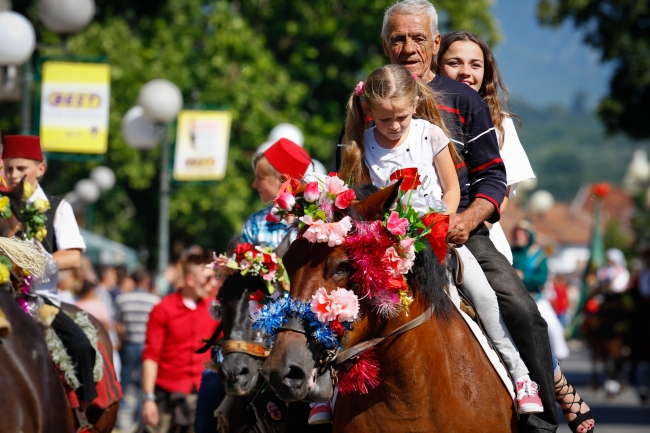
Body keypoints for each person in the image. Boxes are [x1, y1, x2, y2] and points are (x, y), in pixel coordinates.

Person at [332, 2, 559, 431]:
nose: (408, 47)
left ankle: (542, 415)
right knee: (319, 304)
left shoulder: (464, 99)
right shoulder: (363, 102)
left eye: (418, 37)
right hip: (379, 239)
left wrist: (465, 220)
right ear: (385, 43)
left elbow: (492, 177)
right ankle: (313, 399)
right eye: (398, 38)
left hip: (457, 229)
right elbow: (346, 178)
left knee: (519, 307)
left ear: (435, 43)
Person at [437, 30, 595, 433]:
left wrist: (466, 218)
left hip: (478, 230)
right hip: (426, 228)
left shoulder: (500, 122)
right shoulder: (418, 112)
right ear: (438, 65)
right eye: (455, 62)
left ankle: (545, 404)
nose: (465, 72)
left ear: (487, 72)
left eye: (475, 65)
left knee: (518, 313)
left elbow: (500, 193)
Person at [2, 134, 98, 407]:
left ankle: (84, 413)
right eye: (8, 168)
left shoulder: (58, 208)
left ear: (40, 169)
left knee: (79, 344)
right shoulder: (0, 205)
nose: (13, 174)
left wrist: (28, 262)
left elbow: (73, 258)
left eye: (21, 168)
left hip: (37, 301)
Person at [140, 253, 219, 433]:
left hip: (200, 395)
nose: (213, 283)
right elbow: (150, 356)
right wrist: (148, 399)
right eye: (207, 279)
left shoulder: (214, 309)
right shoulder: (163, 309)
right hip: (166, 397)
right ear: (190, 280)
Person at [243, 137, 312, 248]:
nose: (254, 184)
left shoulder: (314, 226)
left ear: (283, 181)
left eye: (260, 178)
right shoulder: (254, 225)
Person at [115, 268, 160, 433]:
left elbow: (119, 326)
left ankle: (118, 416)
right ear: (145, 281)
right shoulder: (154, 300)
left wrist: (122, 340)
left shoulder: (122, 299)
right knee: (145, 383)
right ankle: (139, 417)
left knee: (124, 380)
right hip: (147, 345)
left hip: (129, 344)